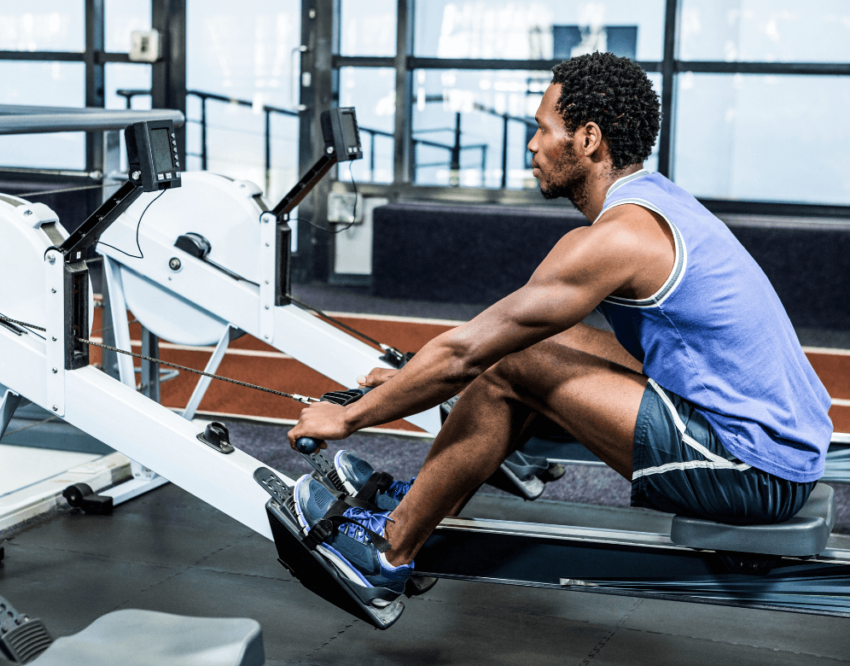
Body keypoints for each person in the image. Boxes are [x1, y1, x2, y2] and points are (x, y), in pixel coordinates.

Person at [285, 51, 833, 598]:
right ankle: (427, 508)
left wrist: (349, 417)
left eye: (543, 129)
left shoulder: (615, 239)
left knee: (512, 363)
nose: (532, 144)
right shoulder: (656, 199)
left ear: (588, 138)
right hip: (774, 443)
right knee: (537, 345)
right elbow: (498, 335)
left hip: (754, 470)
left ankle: (387, 554)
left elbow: (467, 355)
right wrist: (412, 381)